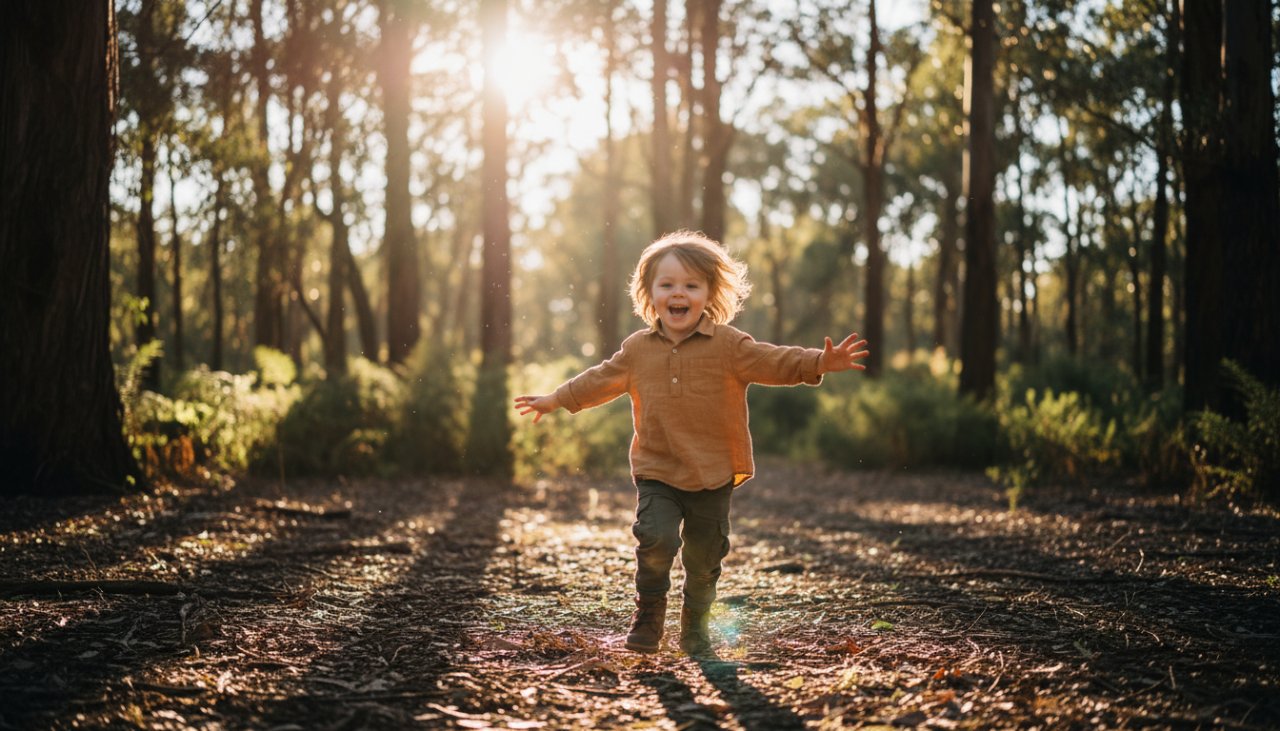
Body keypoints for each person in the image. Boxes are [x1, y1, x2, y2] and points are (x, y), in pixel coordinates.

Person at [514, 230, 869, 657]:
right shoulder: (638, 349)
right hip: (657, 471)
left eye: (690, 285)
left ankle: (695, 629)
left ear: (709, 293)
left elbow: (774, 360)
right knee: (655, 538)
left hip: (713, 473)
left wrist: (818, 362)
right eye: (666, 285)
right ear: (649, 294)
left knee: (704, 562)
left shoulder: (730, 346)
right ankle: (648, 616)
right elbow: (599, 379)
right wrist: (556, 399)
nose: (677, 293)